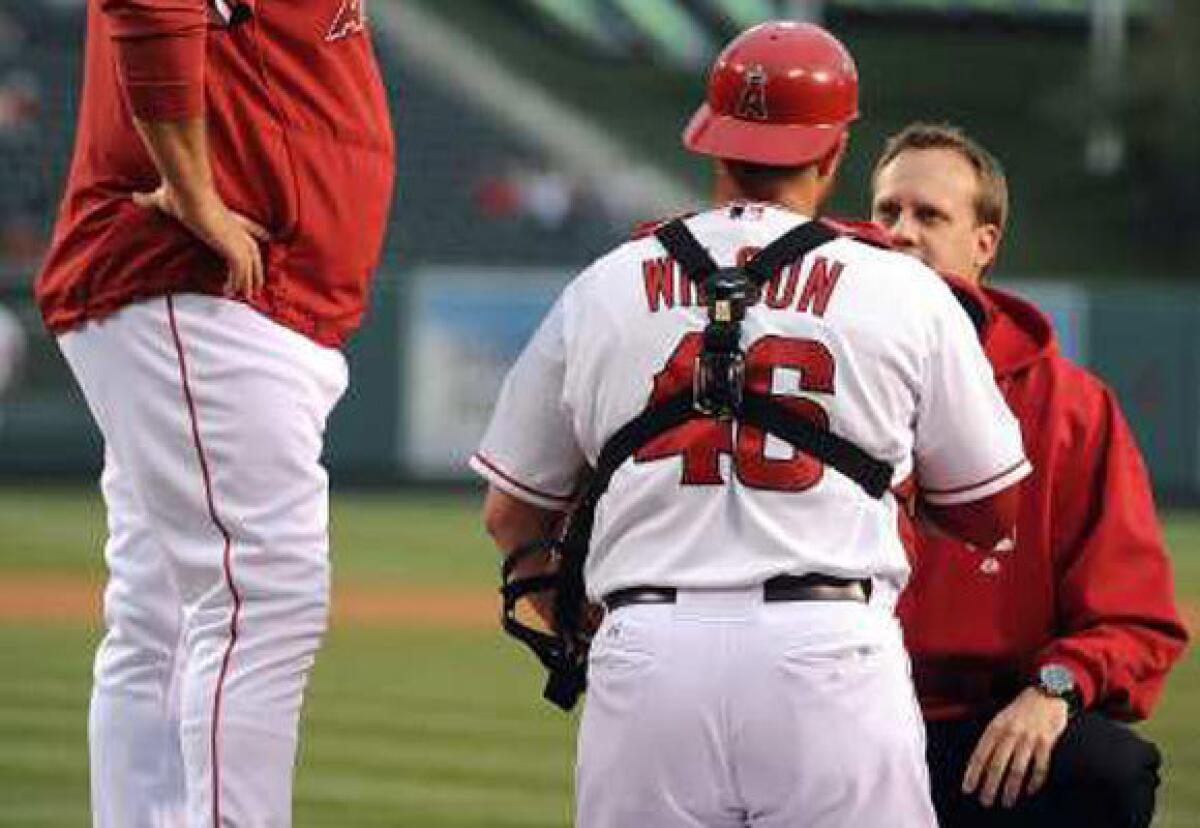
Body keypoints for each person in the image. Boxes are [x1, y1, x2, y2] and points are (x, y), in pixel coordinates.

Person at [473, 22, 1031, 828]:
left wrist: (578, 624)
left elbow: (510, 512)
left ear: (711, 142)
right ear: (836, 153)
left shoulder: (604, 284)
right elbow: (994, 509)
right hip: (828, 651)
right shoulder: (903, 289)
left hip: (649, 652)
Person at [34, 0, 393, 824]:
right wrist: (195, 191)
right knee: (262, 598)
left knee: (158, 616)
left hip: (224, 301)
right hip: (200, 287)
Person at [870, 122, 1189, 828]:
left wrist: (1054, 689)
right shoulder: (815, 381)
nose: (899, 232)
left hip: (982, 734)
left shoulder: (1070, 407)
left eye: (929, 215)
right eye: (886, 211)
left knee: (1107, 771)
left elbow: (1135, 619)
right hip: (835, 720)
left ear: (984, 244)